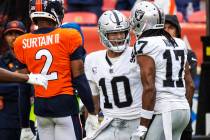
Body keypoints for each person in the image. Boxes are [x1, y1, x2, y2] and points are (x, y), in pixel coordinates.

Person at [13, 0, 95, 140]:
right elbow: (79, 77)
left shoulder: (21, 42)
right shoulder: (68, 36)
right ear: (55, 11)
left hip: (41, 108)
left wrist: (25, 125)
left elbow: (24, 88)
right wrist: (92, 112)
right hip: (65, 105)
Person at [130, 1, 194, 140]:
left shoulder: (144, 45)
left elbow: (149, 88)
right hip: (183, 109)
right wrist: (182, 108)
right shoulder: (179, 43)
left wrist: (143, 126)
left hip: (165, 110)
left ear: (143, 22)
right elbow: (190, 84)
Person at [84, 10, 142, 140]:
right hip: (109, 122)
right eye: (114, 33)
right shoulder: (92, 59)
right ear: (103, 34)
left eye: (122, 32)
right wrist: (91, 120)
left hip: (135, 121)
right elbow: (94, 98)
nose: (120, 36)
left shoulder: (138, 54)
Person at [0, 20, 36, 140]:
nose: (14, 37)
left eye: (18, 33)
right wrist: (23, 81)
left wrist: (11, 78)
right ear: (5, 37)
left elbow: (35, 87)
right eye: (10, 34)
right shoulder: (2, 60)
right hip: (6, 119)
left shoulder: (33, 57)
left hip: (31, 118)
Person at [164, 14, 197, 140]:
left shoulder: (188, 54)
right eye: (164, 28)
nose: (167, 31)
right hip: (160, 113)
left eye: (171, 28)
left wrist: (185, 110)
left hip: (181, 111)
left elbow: (189, 84)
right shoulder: (153, 53)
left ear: (177, 31)